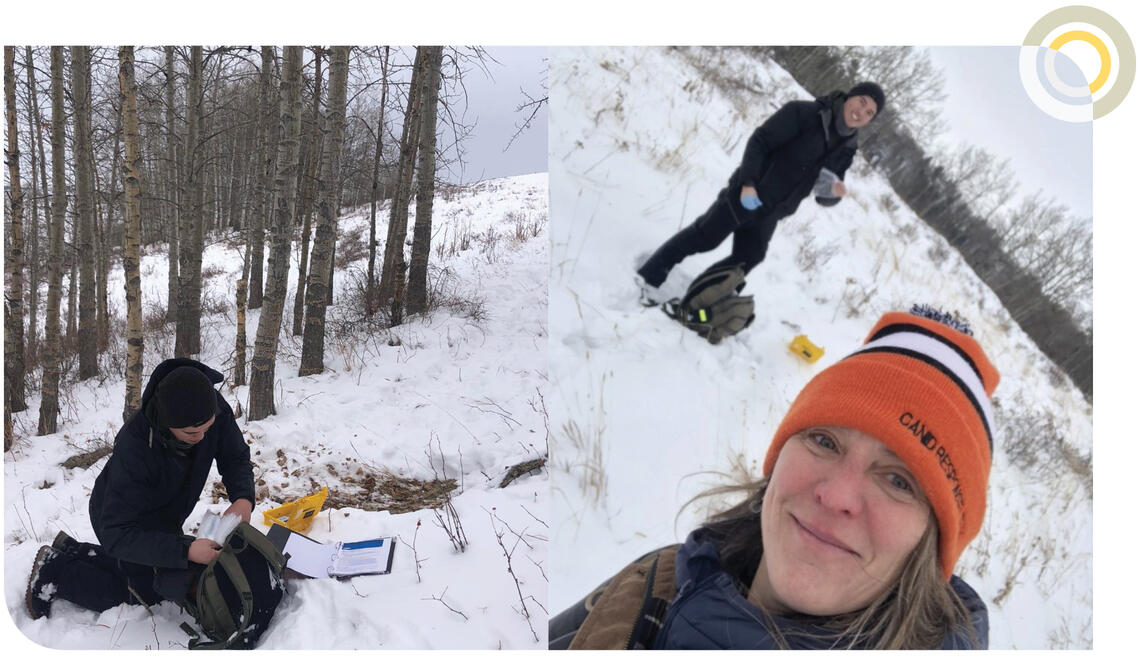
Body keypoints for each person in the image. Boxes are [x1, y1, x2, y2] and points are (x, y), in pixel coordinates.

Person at [549, 306, 999, 649]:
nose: (836, 495)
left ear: (930, 545)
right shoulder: (663, 578)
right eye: (824, 441)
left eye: (899, 481)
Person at [25, 358, 255, 619]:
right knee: (149, 593)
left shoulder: (208, 404)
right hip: (121, 519)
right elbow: (117, 533)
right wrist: (185, 550)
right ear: (168, 423)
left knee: (170, 573)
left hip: (167, 513)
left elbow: (235, 457)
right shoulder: (135, 446)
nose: (202, 438)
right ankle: (55, 571)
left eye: (208, 428)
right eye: (192, 434)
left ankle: (75, 551)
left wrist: (243, 498)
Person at [636, 82, 886, 304]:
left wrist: (833, 193)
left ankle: (699, 300)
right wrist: (748, 183)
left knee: (748, 258)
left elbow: (823, 192)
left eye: (869, 113)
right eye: (861, 102)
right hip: (748, 193)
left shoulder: (847, 149)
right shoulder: (805, 113)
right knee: (704, 238)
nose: (861, 112)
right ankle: (649, 275)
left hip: (773, 210)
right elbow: (760, 142)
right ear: (850, 96)